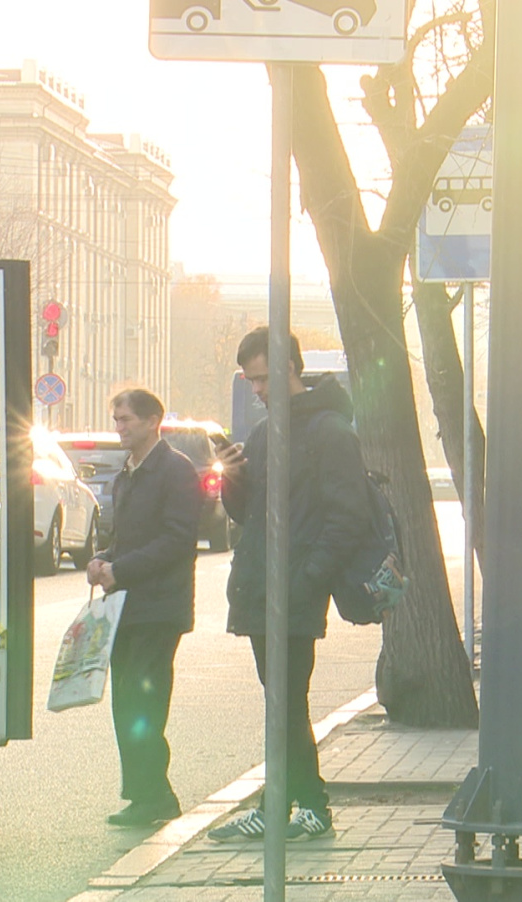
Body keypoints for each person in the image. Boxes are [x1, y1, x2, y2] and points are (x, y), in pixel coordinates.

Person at [208, 327, 370, 842]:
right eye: (250, 380)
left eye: (261, 378)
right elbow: (248, 513)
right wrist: (232, 478)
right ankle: (287, 807)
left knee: (285, 701)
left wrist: (306, 579)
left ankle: (300, 807)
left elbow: (347, 517)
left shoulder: (330, 432)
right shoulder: (264, 432)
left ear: (289, 369)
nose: (255, 389)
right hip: (262, 587)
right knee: (281, 702)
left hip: (294, 590)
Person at [87, 388, 201, 827]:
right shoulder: (126, 472)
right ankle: (142, 793)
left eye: (126, 419)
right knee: (126, 703)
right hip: (125, 607)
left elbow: (177, 540)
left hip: (158, 608)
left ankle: (158, 795)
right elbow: (123, 537)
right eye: (116, 419)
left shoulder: (175, 470)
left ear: (154, 420)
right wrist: (100, 560)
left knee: (146, 705)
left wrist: (123, 569)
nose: (119, 427)